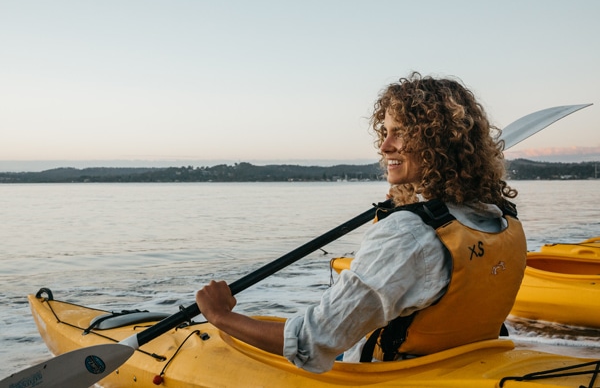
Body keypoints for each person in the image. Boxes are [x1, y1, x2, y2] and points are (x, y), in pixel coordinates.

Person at [196, 72, 527, 373]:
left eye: (400, 133)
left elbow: (311, 341)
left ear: (437, 143)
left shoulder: (409, 235)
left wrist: (220, 315)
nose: (384, 147)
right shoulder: (501, 217)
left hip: (395, 378)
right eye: (384, 132)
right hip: (463, 369)